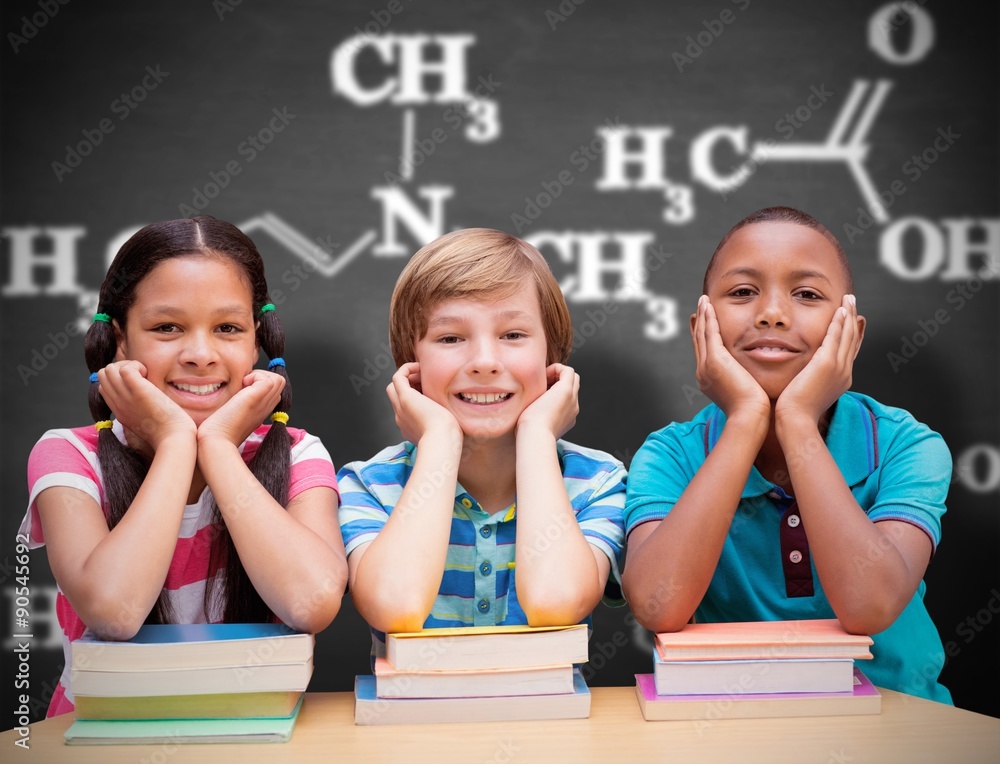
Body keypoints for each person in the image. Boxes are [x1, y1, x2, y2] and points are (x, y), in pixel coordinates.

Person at [19, 216, 348, 716]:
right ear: (120, 343)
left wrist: (216, 447)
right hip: (100, 740)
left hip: (259, 736)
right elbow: (115, 611)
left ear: (257, 341)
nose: (200, 354)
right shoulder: (68, 454)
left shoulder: (299, 453)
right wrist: (175, 442)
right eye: (167, 327)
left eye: (228, 329)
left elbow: (311, 602)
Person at [623, 206, 952, 703]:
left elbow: (869, 606)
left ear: (852, 334)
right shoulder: (670, 455)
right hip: (728, 732)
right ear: (700, 329)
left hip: (897, 732)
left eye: (807, 294)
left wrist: (797, 421)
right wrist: (745, 421)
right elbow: (657, 605)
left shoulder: (906, 446)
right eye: (742, 292)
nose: (772, 313)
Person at [338, 228, 626, 658]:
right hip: (409, 723)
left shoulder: (597, 481)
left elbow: (555, 602)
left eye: (513, 335)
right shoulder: (370, 485)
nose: (486, 363)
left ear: (552, 357)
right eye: (451, 338)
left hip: (552, 723)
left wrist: (537, 434)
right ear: (410, 364)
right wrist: (438, 440)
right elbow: (394, 608)